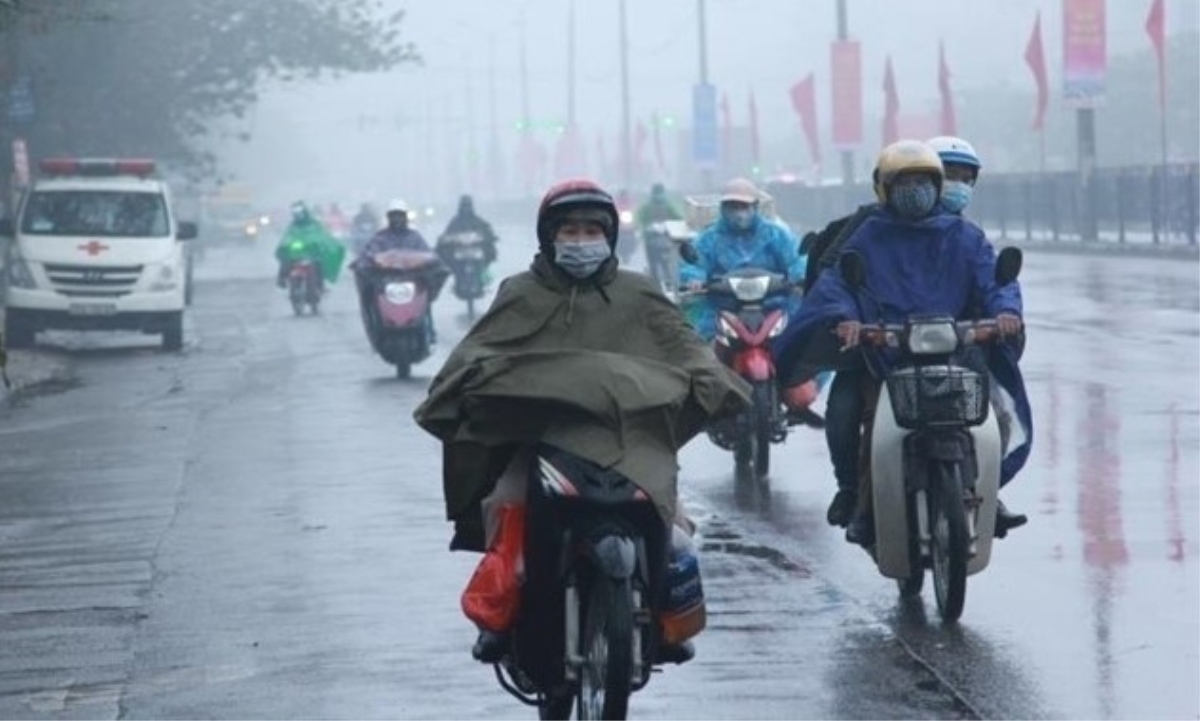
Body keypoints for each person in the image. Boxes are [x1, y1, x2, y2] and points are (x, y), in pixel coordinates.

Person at [412, 178, 750, 665]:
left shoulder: (639, 293)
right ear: (549, 236)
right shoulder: (521, 293)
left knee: (675, 533)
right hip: (541, 442)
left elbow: (685, 348)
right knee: (506, 512)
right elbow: (478, 352)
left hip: (631, 443)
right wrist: (465, 387)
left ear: (609, 235)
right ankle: (501, 622)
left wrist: (719, 387)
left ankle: (665, 622)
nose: (580, 240)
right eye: (569, 230)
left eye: (591, 229)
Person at [774, 140, 1032, 545]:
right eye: (906, 182)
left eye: (925, 182)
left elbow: (995, 280)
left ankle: (986, 491)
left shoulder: (965, 235)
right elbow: (837, 283)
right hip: (882, 354)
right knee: (843, 410)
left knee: (995, 411)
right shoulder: (865, 234)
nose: (917, 191)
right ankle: (853, 494)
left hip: (954, 350)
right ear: (885, 188)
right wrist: (845, 321)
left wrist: (1005, 314)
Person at [679, 177, 823, 427]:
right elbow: (695, 265)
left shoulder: (775, 234)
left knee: (810, 340)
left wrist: (800, 275)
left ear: (755, 207)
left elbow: (794, 259)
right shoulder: (709, 238)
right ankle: (703, 403)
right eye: (732, 206)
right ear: (723, 209)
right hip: (723, 308)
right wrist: (695, 280)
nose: (739, 212)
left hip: (774, 305)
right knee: (696, 349)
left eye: (744, 206)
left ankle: (797, 401)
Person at [352, 198, 440, 343]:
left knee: (426, 299)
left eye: (400, 215)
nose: (397, 219)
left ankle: (429, 330)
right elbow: (369, 253)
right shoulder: (381, 238)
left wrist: (431, 262)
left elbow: (426, 253)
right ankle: (376, 327)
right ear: (389, 218)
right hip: (386, 280)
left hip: (413, 279)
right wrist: (365, 263)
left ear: (405, 217)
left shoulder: (414, 237)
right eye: (394, 216)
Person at [274, 201, 345, 290]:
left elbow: (321, 234)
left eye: (300, 212)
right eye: (296, 213)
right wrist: (285, 244)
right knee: (286, 261)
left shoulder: (314, 223)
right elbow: (287, 236)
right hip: (297, 253)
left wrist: (319, 243)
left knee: (319, 264)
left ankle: (321, 286)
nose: (299, 215)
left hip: (312, 253)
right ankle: (282, 279)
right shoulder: (293, 225)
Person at [636, 183, 684, 285]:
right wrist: (649, 227)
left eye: (660, 193)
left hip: (665, 239)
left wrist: (668, 225)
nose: (659, 195)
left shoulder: (668, 206)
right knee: (653, 264)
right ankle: (655, 284)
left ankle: (669, 283)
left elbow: (679, 217)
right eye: (657, 193)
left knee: (666, 263)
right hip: (651, 239)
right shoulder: (646, 207)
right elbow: (639, 220)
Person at [435, 194, 499, 267]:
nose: (466, 208)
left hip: (478, 255)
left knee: (489, 248)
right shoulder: (455, 222)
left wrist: (490, 236)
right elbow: (447, 234)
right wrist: (444, 240)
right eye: (464, 205)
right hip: (458, 256)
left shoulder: (477, 221)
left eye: (468, 205)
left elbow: (487, 230)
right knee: (443, 251)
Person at [926, 135, 981, 216]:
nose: (959, 185)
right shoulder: (905, 225)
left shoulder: (967, 228)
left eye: (966, 180)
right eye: (950, 176)